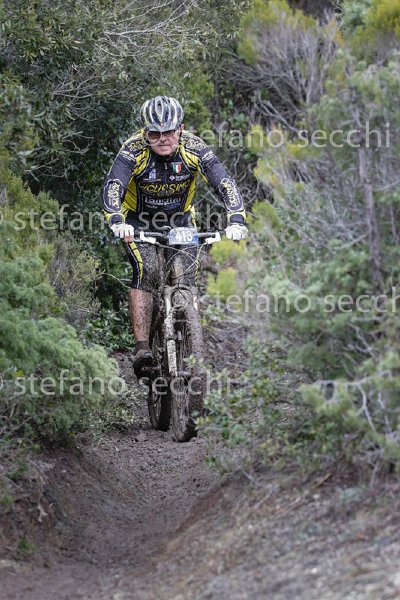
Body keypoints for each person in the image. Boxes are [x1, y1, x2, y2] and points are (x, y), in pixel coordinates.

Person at [102, 95, 247, 374]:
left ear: (180, 128)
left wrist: (237, 219)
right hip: (138, 223)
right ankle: (142, 347)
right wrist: (117, 220)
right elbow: (113, 185)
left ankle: (190, 340)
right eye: (154, 134)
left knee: (186, 278)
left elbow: (224, 183)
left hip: (180, 221)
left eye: (168, 131)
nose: (162, 139)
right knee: (147, 270)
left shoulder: (194, 148)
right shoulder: (133, 150)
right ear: (145, 132)